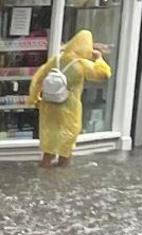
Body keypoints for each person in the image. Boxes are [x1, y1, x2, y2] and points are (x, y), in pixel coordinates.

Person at [34, 29, 111, 168]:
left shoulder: (56, 60)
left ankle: (45, 170)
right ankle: (62, 176)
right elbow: (103, 74)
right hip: (69, 107)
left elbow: (38, 78)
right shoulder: (81, 64)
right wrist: (99, 58)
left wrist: (35, 98)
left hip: (49, 106)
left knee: (50, 143)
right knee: (67, 142)